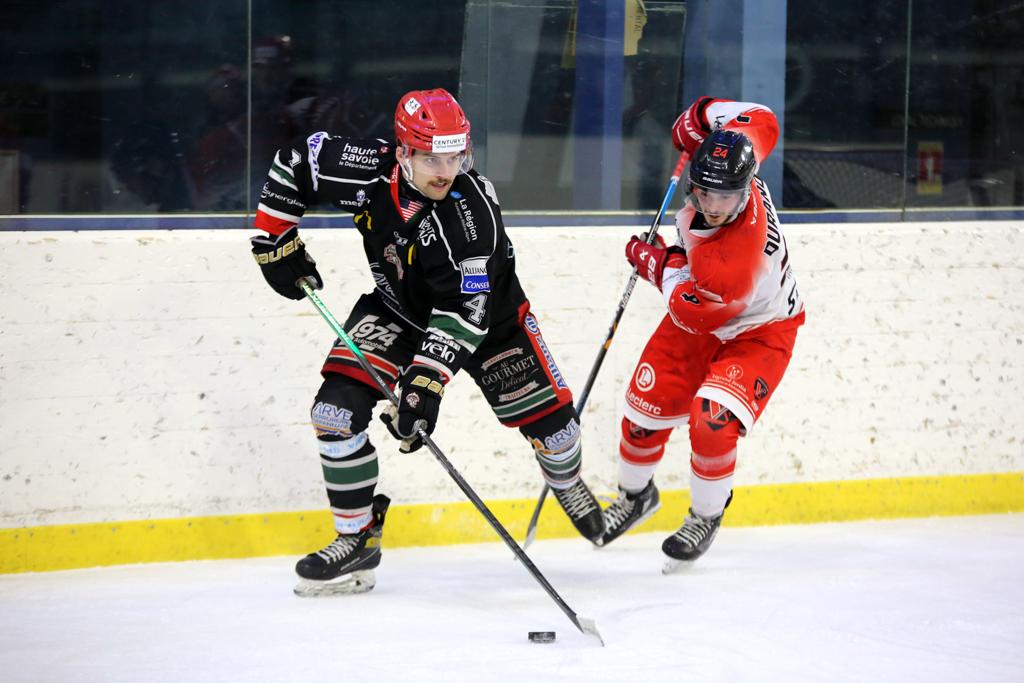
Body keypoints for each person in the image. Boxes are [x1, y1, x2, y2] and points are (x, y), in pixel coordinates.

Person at [249, 88, 605, 596]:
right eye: (432, 158)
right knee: (334, 414)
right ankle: (357, 538)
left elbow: (466, 311)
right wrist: (274, 239)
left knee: (559, 436)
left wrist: (423, 385)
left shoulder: (472, 215)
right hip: (398, 309)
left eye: (455, 157)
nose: (445, 171)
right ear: (402, 152)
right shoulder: (366, 170)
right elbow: (296, 162)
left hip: (491, 324)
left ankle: (566, 482)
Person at [598, 96, 805, 570]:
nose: (711, 206)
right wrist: (698, 118)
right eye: (704, 192)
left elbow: (693, 312)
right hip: (706, 308)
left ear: (746, 188)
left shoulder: (732, 262)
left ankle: (705, 516)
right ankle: (635, 497)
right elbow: (762, 116)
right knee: (643, 412)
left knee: (712, 420)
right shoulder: (742, 149)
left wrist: (659, 264)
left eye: (724, 197)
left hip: (758, 329)